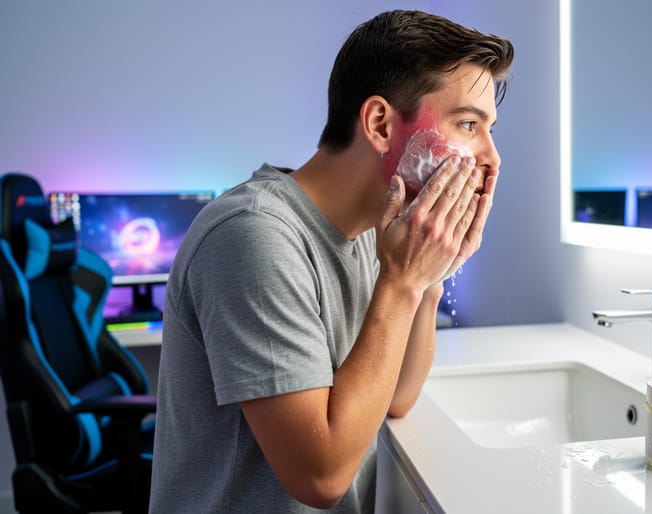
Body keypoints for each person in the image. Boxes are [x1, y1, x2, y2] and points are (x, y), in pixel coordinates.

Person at [148, 9, 514, 514]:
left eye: (489, 128)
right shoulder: (253, 235)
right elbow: (320, 478)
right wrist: (402, 283)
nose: (492, 157)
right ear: (381, 124)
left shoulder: (374, 232)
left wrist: (432, 275)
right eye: (469, 124)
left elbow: (397, 396)